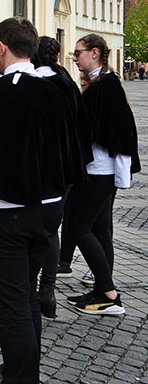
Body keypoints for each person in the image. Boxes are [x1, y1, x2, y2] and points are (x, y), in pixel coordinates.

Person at [0, 17, 85, 384]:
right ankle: (20, 376)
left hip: (4, 213)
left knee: (11, 305)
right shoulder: (58, 88)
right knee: (26, 297)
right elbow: (74, 149)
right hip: (48, 211)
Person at [65, 34, 139, 316]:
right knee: (99, 229)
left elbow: (113, 131)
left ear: (94, 53)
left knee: (78, 226)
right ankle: (101, 288)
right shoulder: (102, 83)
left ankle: (109, 294)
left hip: (99, 171)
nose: (75, 58)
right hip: (100, 170)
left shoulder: (105, 86)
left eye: (78, 52)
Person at [31, 36, 92, 319]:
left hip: (43, 166)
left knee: (34, 226)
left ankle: (34, 286)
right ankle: (49, 287)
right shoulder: (67, 82)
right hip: (67, 166)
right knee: (52, 227)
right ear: (56, 57)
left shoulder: (37, 85)